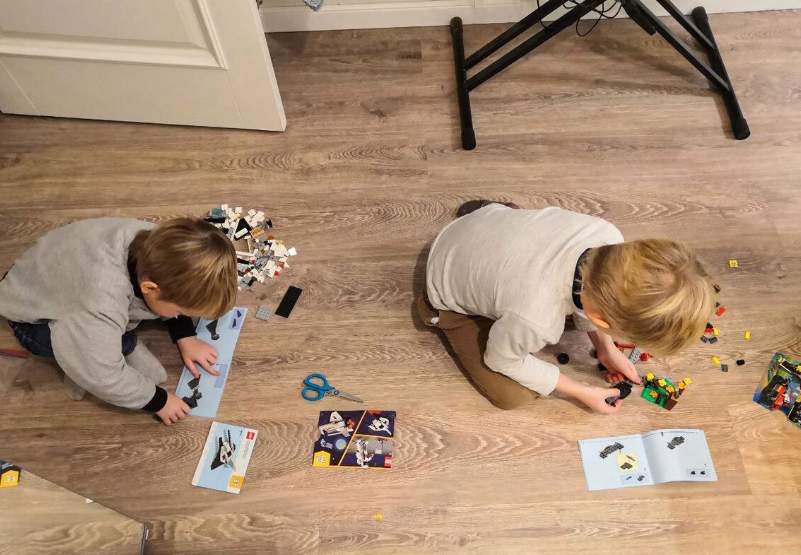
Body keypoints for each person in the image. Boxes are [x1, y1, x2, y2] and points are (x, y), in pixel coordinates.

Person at [417, 201, 714, 413]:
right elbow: (500, 360)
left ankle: (495, 210)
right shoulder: (537, 319)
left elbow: (592, 301)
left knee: (544, 300)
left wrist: (606, 348)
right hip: (444, 288)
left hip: (488, 223)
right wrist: (581, 391)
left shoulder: (607, 233)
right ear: (601, 319)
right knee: (513, 396)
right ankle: (439, 313)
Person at [0, 218, 237, 424]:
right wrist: (159, 401)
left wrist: (185, 335)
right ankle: (117, 347)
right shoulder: (98, 303)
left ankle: (110, 345)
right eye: (180, 311)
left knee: (96, 336)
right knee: (87, 359)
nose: (180, 315)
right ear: (149, 288)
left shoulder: (159, 242)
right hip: (31, 319)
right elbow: (102, 376)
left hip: (58, 272)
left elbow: (173, 290)